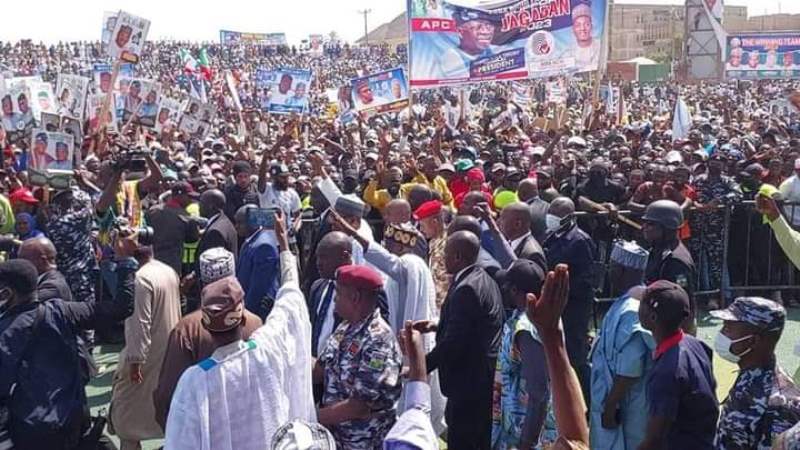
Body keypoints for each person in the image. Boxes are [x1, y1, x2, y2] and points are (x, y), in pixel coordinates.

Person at [165, 211, 315, 448]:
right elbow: (290, 296)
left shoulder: (194, 382)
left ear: (206, 323)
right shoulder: (266, 349)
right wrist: (284, 245)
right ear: (243, 317)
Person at [0, 238, 137, 449]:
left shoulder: (6, 331)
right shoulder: (62, 311)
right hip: (72, 421)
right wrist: (126, 262)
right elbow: (121, 307)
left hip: (31, 432)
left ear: (7, 292)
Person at [153, 247, 263, 429]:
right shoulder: (255, 322)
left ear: (202, 282)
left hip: (202, 431)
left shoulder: (186, 329)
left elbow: (167, 395)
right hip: (246, 427)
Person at [416, 230, 504, 449]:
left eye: (446, 253)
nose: (443, 258)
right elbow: (475, 324)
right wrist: (437, 325)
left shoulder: (466, 288)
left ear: (457, 257)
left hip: (468, 384)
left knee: (462, 440)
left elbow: (454, 343)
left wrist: (421, 367)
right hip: (482, 380)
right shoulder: (483, 278)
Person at [313, 264, 403, 449]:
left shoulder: (378, 341)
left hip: (363, 443)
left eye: (338, 293)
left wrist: (312, 416)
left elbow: (359, 406)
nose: (335, 299)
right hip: (336, 439)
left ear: (354, 298)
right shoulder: (345, 327)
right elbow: (321, 369)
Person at [109, 231, 181, 450]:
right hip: (167, 355)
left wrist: (134, 362)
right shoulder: (166, 270)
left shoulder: (139, 279)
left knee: (127, 423)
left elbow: (138, 322)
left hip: (142, 362)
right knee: (166, 417)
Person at [637, 280, 719, 450]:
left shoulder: (667, 371)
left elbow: (654, 439)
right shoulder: (696, 344)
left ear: (653, 317)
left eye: (642, 303)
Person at [711, 297, 800, 449]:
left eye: (728, 328)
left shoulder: (777, 404)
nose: (721, 333)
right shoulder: (752, 373)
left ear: (753, 341)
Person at [590, 240, 654, 450]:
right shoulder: (627, 301)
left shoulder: (632, 310)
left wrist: (610, 406)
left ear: (621, 271)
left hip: (628, 404)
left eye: (612, 268)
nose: (609, 273)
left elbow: (630, 368)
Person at [491, 259, 557, 449]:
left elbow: (539, 391)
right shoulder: (521, 318)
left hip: (526, 436)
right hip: (513, 430)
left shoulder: (526, 328)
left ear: (513, 290)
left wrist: (527, 442)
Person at [542, 197, 597, 397]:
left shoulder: (579, 241)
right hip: (556, 305)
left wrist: (561, 288)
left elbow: (586, 280)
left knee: (575, 355)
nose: (552, 218)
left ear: (569, 217)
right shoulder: (551, 235)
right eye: (551, 214)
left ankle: (585, 399)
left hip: (574, 308)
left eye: (557, 216)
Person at [641, 200, 696, 332]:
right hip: (659, 320)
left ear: (667, 227)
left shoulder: (676, 261)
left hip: (672, 328)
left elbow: (681, 302)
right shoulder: (658, 249)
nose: (644, 227)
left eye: (651, 224)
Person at [309, 231, 353, 357]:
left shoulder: (362, 290)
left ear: (345, 257)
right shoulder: (317, 287)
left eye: (324, 257)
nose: (319, 263)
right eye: (317, 257)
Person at [234, 204, 280, 320]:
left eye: (240, 223)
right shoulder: (251, 241)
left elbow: (258, 289)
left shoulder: (264, 246)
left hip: (257, 312)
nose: (236, 226)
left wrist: (245, 316)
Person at [146, 181, 200, 275]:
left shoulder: (152, 211)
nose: (191, 201)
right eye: (189, 197)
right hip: (172, 267)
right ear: (179, 196)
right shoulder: (187, 218)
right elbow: (192, 239)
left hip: (150, 263)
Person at [437, 9, 498, 79]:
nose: (485, 32)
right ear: (460, 32)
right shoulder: (451, 58)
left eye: (488, 26)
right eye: (478, 27)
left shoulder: (495, 50)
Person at [415, 200, 450, 310]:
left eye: (422, 225)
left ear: (434, 222)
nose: (421, 230)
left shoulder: (448, 244)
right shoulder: (434, 241)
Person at [571, 1, 600, 67]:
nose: (583, 28)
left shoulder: (601, 47)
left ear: (591, 26)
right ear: (573, 29)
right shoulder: (568, 53)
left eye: (586, 24)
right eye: (578, 25)